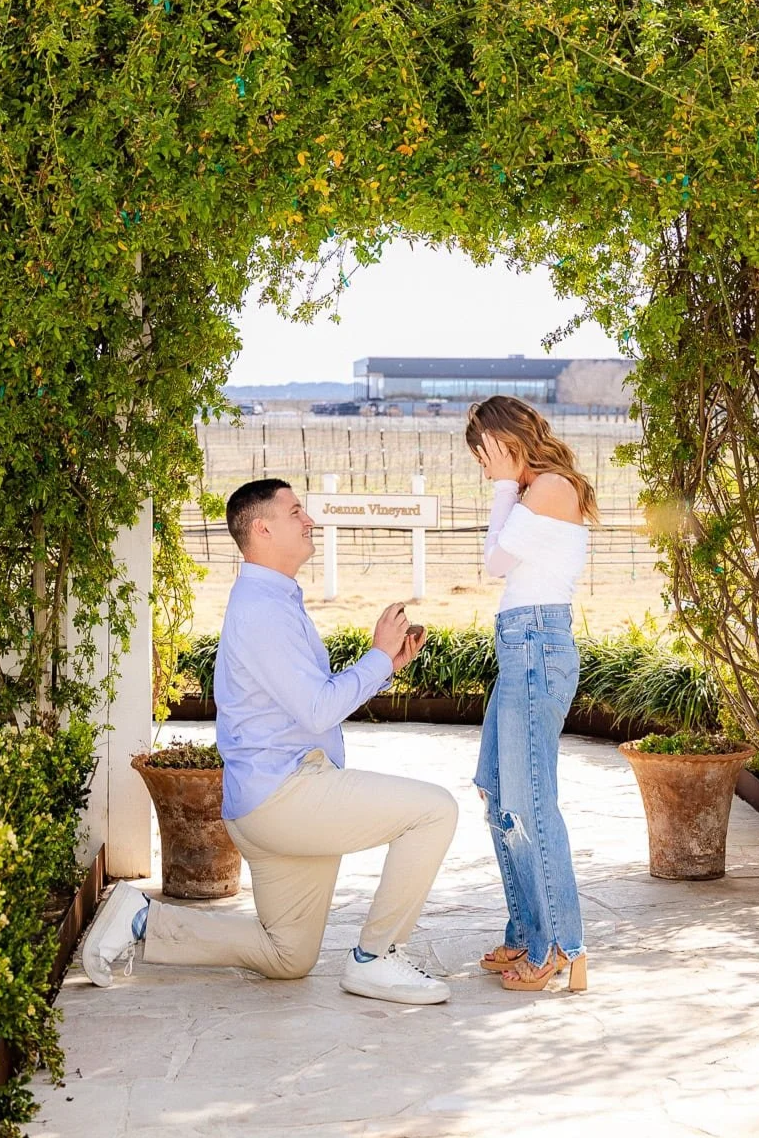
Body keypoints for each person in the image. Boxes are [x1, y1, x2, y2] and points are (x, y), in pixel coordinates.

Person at [82, 479, 458, 1005]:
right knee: (435, 810)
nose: (309, 521)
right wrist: (375, 655)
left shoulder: (271, 600)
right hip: (286, 796)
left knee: (288, 956)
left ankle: (141, 921)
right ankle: (376, 958)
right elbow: (317, 707)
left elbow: (309, 702)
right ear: (262, 528)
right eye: (296, 511)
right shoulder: (263, 609)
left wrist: (384, 666)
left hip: (271, 801)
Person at [465, 397, 597, 993]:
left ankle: (560, 947)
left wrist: (500, 488)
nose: (483, 462)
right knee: (498, 792)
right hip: (519, 648)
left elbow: (493, 563)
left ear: (506, 438)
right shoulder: (532, 491)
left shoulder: (548, 486)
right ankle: (526, 928)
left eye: (485, 450)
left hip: (538, 646)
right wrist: (503, 486)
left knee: (532, 802)